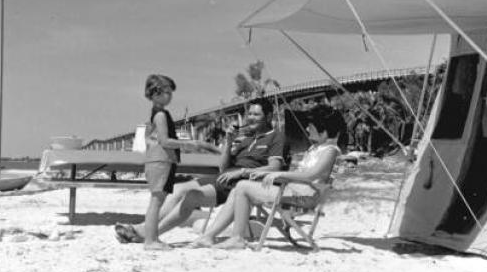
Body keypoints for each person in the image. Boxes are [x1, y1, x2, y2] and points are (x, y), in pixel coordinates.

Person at [114, 97, 285, 245]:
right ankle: (148, 231)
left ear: (269, 116)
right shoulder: (246, 138)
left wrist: (242, 172)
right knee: (180, 190)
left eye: (256, 115)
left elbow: (274, 168)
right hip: (225, 179)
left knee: (190, 196)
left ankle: (146, 232)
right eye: (250, 114)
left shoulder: (276, 137)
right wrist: (228, 142)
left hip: (245, 184)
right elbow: (223, 168)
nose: (251, 118)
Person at [194, 105, 341, 249]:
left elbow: (311, 175)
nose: (307, 129)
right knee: (238, 189)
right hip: (292, 191)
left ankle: (237, 238)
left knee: (243, 186)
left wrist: (278, 173)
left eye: (311, 126)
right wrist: (269, 173)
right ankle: (210, 236)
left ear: (324, 131)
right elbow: (302, 174)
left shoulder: (330, 151)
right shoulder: (314, 149)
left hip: (304, 197)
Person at [137, 74, 219, 250]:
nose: (169, 96)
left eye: (170, 92)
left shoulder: (158, 113)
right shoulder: (160, 115)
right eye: (165, 92)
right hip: (161, 160)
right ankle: (150, 240)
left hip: (161, 160)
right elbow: (165, 141)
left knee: (157, 200)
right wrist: (190, 143)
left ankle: (152, 238)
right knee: (156, 201)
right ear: (155, 93)